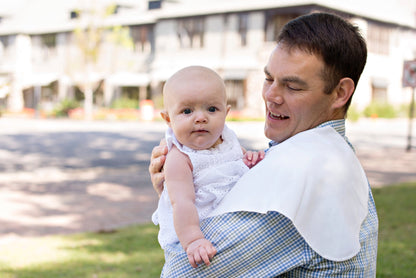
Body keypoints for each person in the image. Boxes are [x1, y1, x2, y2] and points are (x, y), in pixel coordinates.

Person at [149, 12, 378, 277]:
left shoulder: (300, 172)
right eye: (269, 78)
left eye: (292, 86)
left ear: (340, 93)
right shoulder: (331, 153)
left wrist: (177, 216)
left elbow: (182, 272)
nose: (270, 95)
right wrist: (179, 192)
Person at [152, 65, 265, 268]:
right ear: (168, 119)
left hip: (231, 223)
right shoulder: (179, 158)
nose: (201, 117)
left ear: (226, 112)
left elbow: (240, 163)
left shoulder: (228, 140)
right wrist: (193, 240)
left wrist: (251, 160)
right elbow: (182, 202)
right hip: (194, 231)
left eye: (212, 109)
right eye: (187, 111)